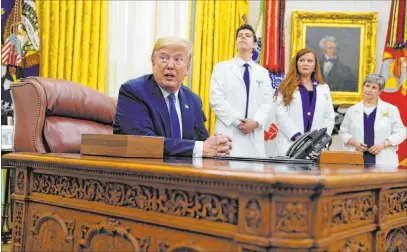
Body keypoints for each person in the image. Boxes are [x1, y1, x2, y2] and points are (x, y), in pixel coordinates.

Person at [113, 37, 232, 157]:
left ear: (188, 69)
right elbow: (145, 143)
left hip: (184, 172)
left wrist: (218, 146)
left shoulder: (193, 100)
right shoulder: (133, 92)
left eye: (178, 59)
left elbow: (202, 143)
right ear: (153, 63)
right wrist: (200, 148)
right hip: (143, 171)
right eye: (164, 58)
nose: (170, 65)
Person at [209, 24, 274, 158]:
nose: (243, 37)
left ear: (255, 44)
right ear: (236, 42)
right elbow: (216, 100)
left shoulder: (263, 73)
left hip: (254, 135)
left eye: (248, 35)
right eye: (240, 35)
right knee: (226, 175)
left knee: (253, 177)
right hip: (229, 132)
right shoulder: (221, 68)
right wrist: (238, 121)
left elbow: (267, 102)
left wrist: (255, 123)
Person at [274, 48, 335, 156]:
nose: (305, 63)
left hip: (316, 149)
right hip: (291, 144)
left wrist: (319, 142)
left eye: (309, 61)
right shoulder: (285, 86)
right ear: (296, 64)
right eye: (302, 60)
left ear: (315, 66)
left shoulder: (324, 88)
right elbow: (281, 115)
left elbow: (329, 117)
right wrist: (299, 139)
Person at [339, 74, 405, 167]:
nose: (369, 90)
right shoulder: (352, 110)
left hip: (384, 160)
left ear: (380, 91)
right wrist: (355, 143)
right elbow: (343, 132)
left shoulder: (391, 109)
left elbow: (401, 132)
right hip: (357, 158)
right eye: (367, 86)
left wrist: (384, 144)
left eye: (374, 87)